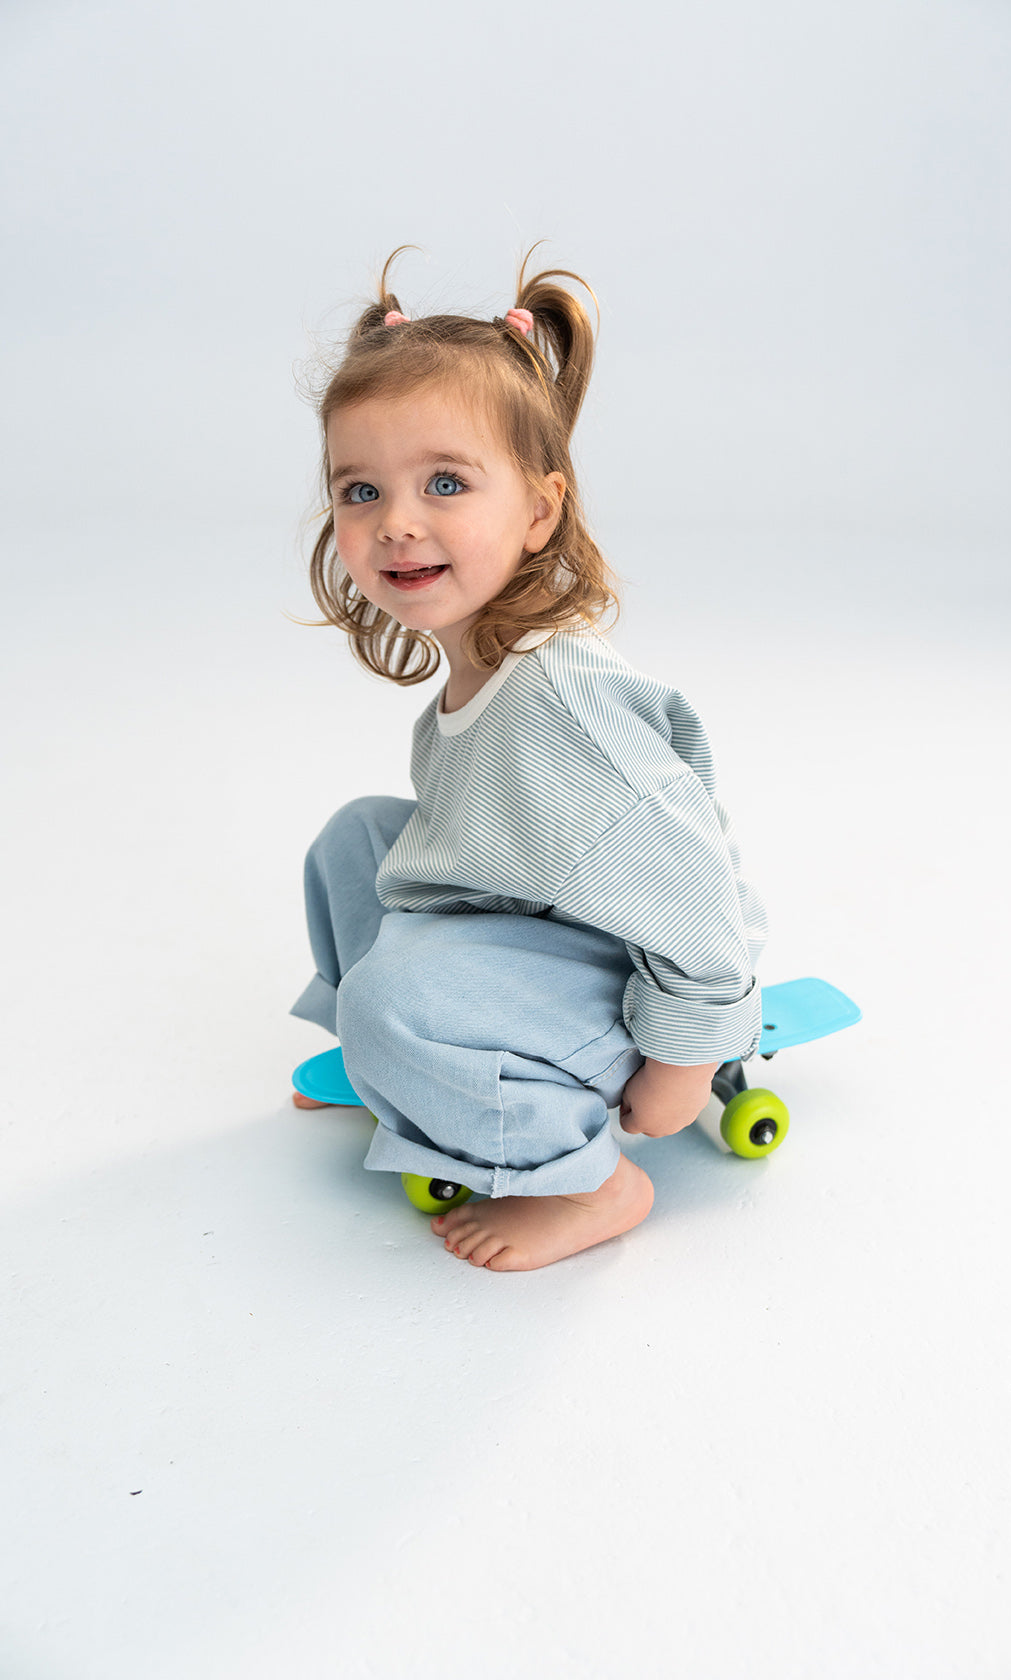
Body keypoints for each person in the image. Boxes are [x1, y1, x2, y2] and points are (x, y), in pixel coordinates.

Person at [289, 245, 768, 1272]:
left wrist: (680, 1070)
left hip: (641, 981)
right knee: (355, 841)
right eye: (361, 490)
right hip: (548, 931)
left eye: (446, 482)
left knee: (394, 999)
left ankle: (591, 1183)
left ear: (538, 511)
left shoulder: (556, 705)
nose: (396, 522)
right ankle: (402, 1067)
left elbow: (695, 906)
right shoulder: (477, 676)